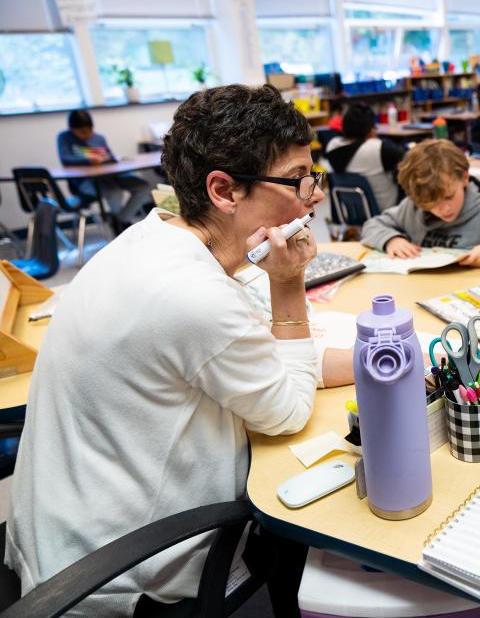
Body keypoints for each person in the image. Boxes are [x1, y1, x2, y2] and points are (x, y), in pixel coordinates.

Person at [7, 84, 354, 616]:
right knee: (312, 522)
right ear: (224, 190)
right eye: (296, 181)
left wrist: (373, 361)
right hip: (120, 571)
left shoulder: (149, 241)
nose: (313, 196)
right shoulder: (193, 297)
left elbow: (264, 354)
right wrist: (289, 285)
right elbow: (287, 410)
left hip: (63, 532)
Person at [57, 109, 154, 230]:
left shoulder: (99, 138)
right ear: (71, 129)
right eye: (81, 132)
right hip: (86, 181)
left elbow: (109, 157)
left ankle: (121, 221)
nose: (86, 135)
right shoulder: (64, 138)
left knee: (143, 186)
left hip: (111, 176)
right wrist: (88, 161)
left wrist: (111, 159)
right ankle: (120, 226)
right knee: (114, 191)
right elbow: (65, 159)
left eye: (89, 130)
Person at [326, 103, 406, 212]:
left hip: (352, 210)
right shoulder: (378, 149)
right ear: (371, 129)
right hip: (386, 209)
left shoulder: (332, 146)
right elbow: (407, 158)